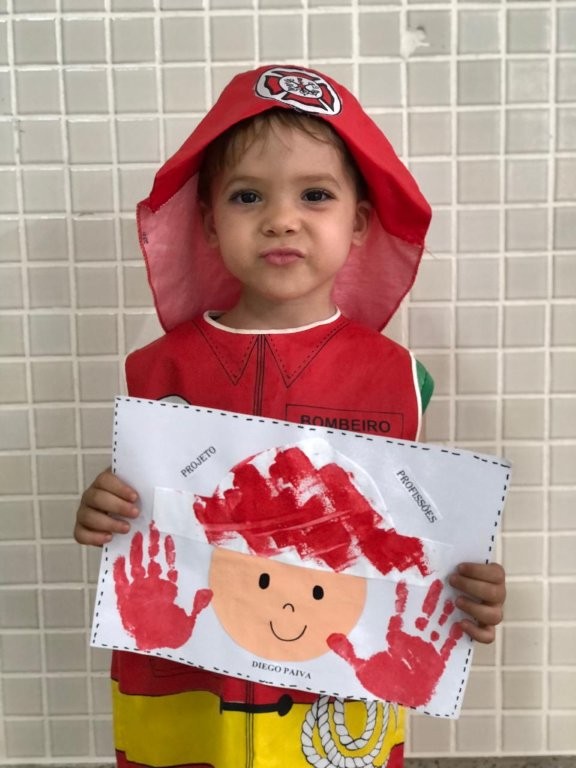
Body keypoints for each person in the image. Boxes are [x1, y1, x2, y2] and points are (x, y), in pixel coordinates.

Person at [74, 64, 506, 768]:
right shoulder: (156, 371)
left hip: (330, 710)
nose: (281, 218)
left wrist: (468, 584)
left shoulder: (399, 378)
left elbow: (415, 533)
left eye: (315, 194)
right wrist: (104, 513)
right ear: (209, 223)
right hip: (189, 696)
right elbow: (142, 525)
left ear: (358, 222)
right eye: (248, 195)